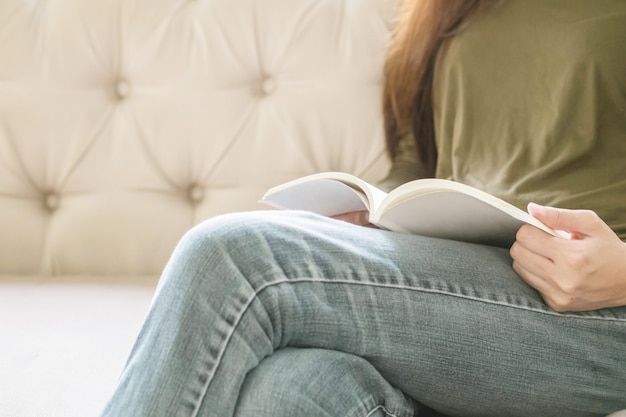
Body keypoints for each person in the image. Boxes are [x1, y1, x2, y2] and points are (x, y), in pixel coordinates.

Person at [100, 0, 626, 416]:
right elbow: (419, 159)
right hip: (471, 284)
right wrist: (373, 212)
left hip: (597, 315)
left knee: (229, 257)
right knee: (288, 392)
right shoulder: (447, 9)